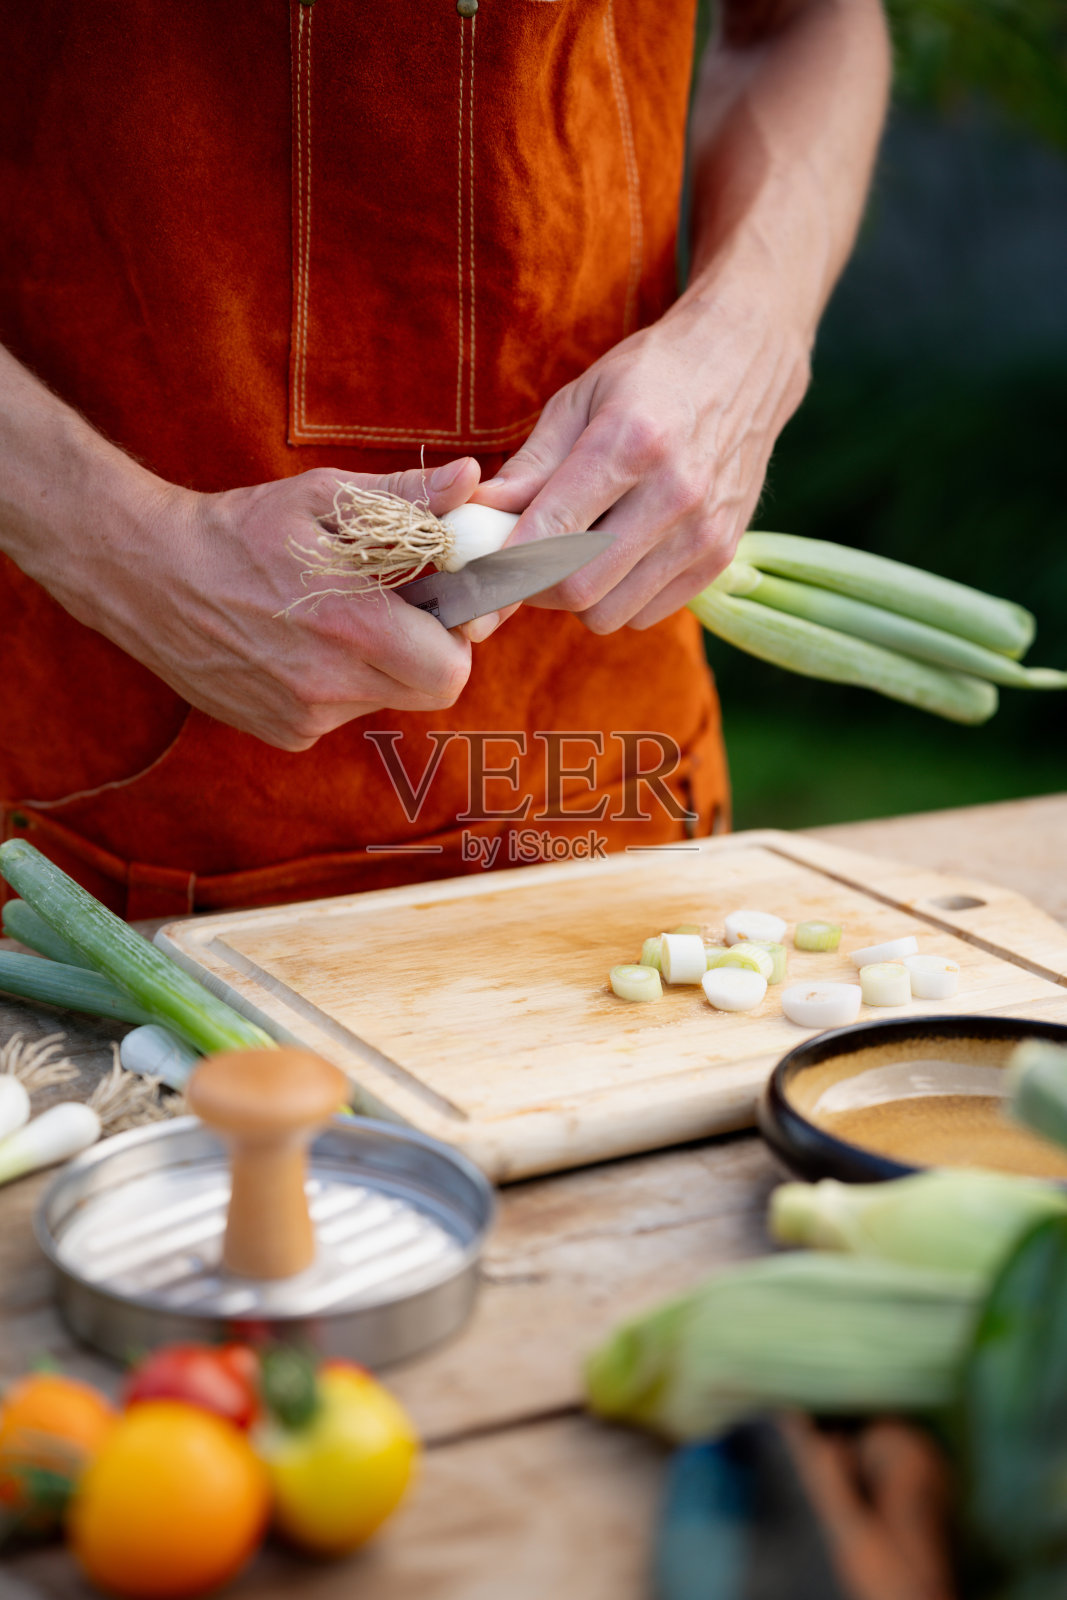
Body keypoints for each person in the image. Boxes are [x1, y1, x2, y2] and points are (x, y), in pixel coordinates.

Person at [0, 0, 889, 918]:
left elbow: (806, 22)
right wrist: (121, 545)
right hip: (115, 793)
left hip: (609, 765)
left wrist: (749, 335)